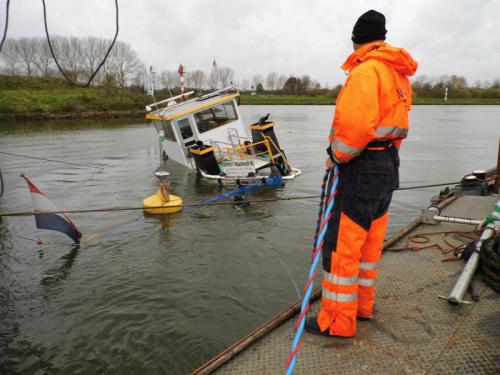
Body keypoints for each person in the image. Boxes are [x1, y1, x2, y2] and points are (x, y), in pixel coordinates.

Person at [305, 9, 418, 337]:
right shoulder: (397, 74)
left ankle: (338, 322)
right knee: (370, 241)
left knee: (343, 244)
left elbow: (354, 128)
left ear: (356, 39)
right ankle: (362, 307)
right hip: (387, 165)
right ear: (382, 38)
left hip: (361, 166)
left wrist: (334, 155)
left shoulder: (366, 71)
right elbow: (396, 125)